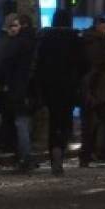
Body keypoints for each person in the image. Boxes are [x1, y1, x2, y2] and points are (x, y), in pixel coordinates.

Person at [36, 9, 84, 174]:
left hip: (49, 87)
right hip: (69, 87)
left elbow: (38, 65)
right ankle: (60, 151)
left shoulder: (45, 39)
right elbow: (83, 65)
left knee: (54, 121)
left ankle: (54, 151)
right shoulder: (75, 40)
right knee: (64, 121)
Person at [0, 14, 38, 172]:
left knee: (19, 123)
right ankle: (25, 156)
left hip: (16, 89)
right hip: (27, 88)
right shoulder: (32, 41)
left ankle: (25, 157)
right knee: (22, 123)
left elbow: (4, 66)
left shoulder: (14, 44)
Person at [79, 17, 105, 167]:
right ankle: (99, 152)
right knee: (102, 121)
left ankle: (87, 155)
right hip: (98, 88)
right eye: (104, 27)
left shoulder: (85, 40)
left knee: (89, 123)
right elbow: (97, 66)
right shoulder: (98, 42)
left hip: (89, 86)